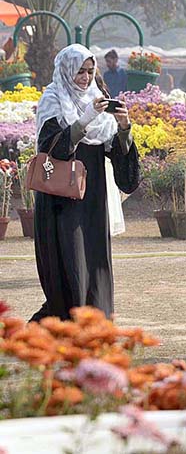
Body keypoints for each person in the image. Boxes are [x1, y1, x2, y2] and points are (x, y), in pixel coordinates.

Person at [31, 44, 140, 322]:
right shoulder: (53, 99)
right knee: (69, 262)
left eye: (90, 71)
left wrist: (124, 127)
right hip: (61, 199)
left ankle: (94, 326)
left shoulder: (96, 96)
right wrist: (86, 119)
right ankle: (64, 327)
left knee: (94, 261)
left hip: (92, 198)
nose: (85, 77)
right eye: (80, 71)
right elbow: (52, 146)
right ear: (67, 69)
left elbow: (116, 151)